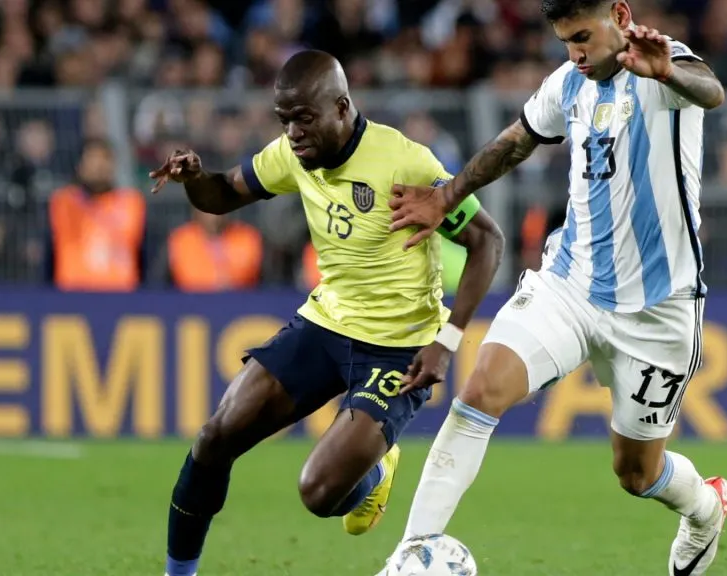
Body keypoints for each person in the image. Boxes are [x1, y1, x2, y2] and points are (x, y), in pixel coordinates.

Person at [380, 1, 727, 575]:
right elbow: (516, 140)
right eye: (566, 40)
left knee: (636, 473)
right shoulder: (569, 82)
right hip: (571, 287)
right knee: (481, 388)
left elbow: (711, 91)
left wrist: (668, 70)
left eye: (584, 36)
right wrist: (446, 196)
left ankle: (705, 507)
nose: (575, 53)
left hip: (660, 309)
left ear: (620, 14)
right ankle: (413, 552)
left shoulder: (664, 67)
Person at [149, 49, 504, 576]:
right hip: (325, 324)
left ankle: (374, 472)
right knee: (214, 439)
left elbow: (487, 242)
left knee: (319, 493)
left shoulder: (404, 162)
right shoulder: (293, 154)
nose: (293, 133)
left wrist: (447, 340)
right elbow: (222, 195)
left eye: (304, 119)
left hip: (398, 349)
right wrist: (197, 178)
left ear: (342, 107)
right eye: (284, 120)